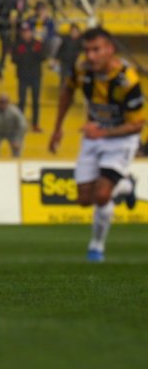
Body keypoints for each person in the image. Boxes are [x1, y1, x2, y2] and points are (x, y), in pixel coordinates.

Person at [49, 27, 144, 262]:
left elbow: (137, 126)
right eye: (87, 50)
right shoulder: (82, 70)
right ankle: (125, 186)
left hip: (120, 138)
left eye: (96, 50)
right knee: (84, 200)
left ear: (110, 49)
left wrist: (104, 131)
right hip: (94, 136)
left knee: (101, 195)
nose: (90, 56)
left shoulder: (126, 80)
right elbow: (67, 92)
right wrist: (57, 128)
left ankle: (96, 246)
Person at [10, 21, 45, 131]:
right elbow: (13, 59)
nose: (26, 34)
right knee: (22, 101)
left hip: (35, 76)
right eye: (24, 32)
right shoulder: (17, 44)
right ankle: (20, 124)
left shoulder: (38, 43)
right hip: (23, 76)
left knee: (36, 101)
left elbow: (43, 57)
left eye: (28, 31)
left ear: (31, 32)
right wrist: (22, 55)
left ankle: (35, 124)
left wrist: (35, 53)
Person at [0, 93, 28, 157]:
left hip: (13, 132)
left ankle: (16, 164)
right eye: (1, 102)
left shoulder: (15, 111)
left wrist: (18, 140)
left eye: (5, 102)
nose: (3, 104)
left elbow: (23, 125)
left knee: (17, 149)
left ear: (9, 102)